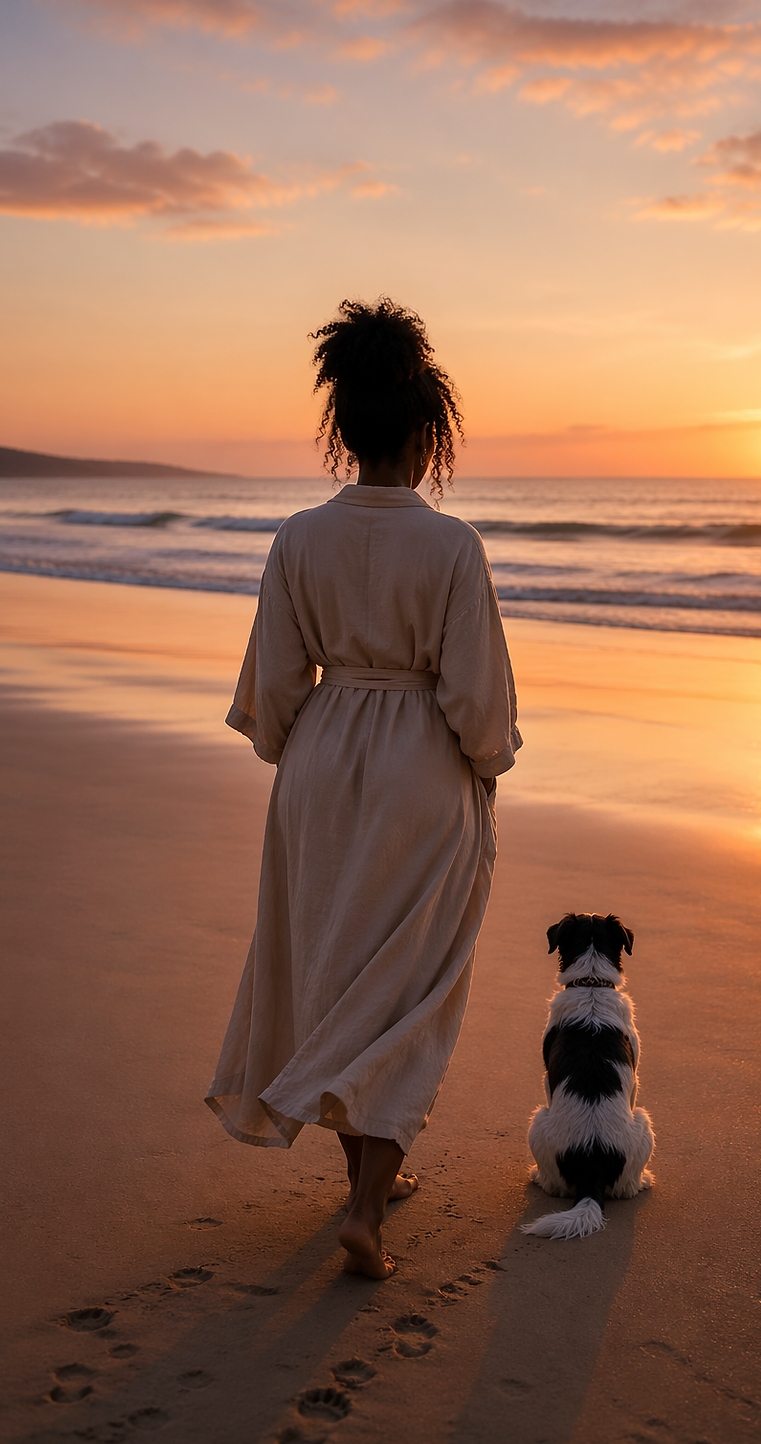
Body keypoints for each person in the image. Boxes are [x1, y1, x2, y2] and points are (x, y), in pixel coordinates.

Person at [206, 298, 521, 1278]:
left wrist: (308, 757)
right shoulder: (453, 548)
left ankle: (365, 1183)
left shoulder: (298, 539)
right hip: (419, 773)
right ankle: (367, 1210)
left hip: (321, 766)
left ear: (340, 432)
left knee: (338, 976)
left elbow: (270, 689)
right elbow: (477, 707)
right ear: (427, 438)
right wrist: (486, 768)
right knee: (411, 990)